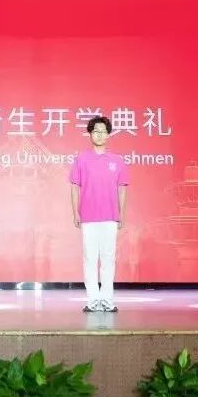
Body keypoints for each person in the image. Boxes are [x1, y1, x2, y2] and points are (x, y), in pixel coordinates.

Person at [70, 116, 128, 313]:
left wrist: (121, 214)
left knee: (108, 259)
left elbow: (122, 189)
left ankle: (107, 300)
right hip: (88, 217)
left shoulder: (117, 161)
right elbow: (74, 187)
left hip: (110, 216)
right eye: (96, 131)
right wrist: (75, 212)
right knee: (90, 259)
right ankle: (93, 300)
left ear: (108, 134)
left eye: (103, 131)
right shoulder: (81, 159)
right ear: (90, 134)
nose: (100, 135)